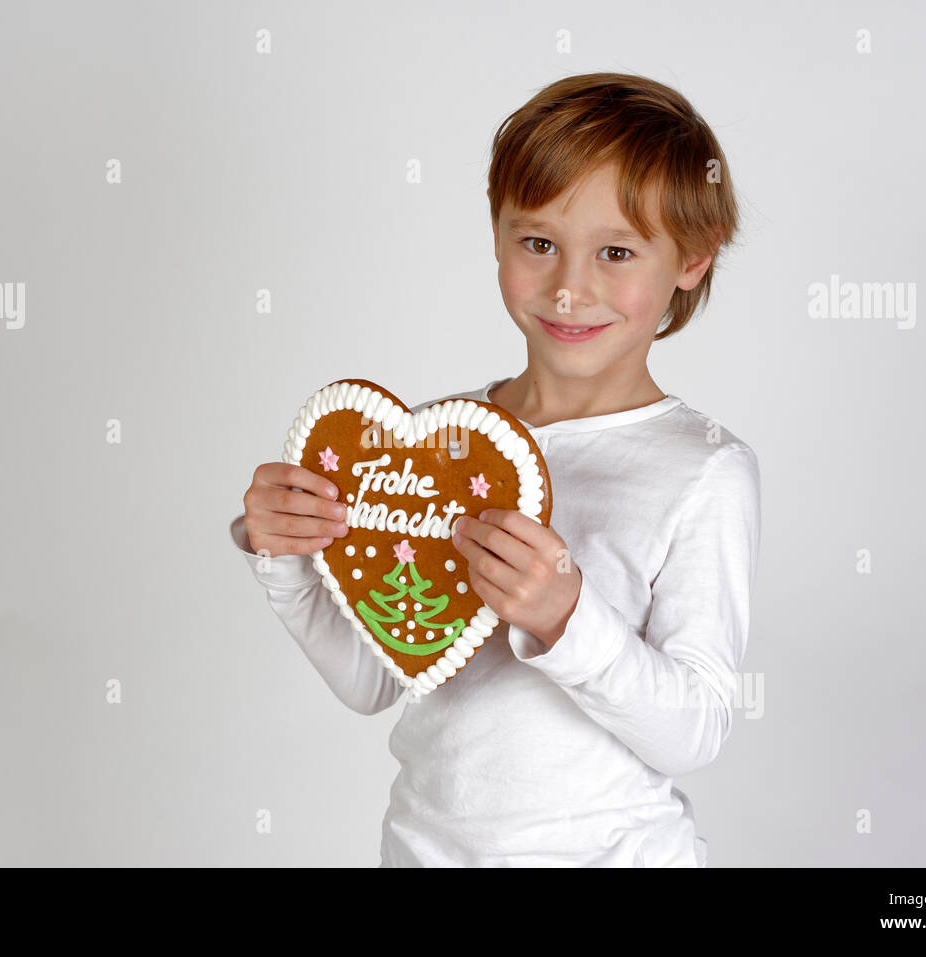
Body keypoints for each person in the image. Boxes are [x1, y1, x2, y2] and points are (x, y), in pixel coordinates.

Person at [231, 72, 761, 866]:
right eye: (538, 242)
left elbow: (694, 729)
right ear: (497, 232)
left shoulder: (704, 469)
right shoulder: (436, 445)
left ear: (690, 259)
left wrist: (564, 615)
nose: (570, 287)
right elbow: (373, 683)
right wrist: (288, 559)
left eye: (616, 251)